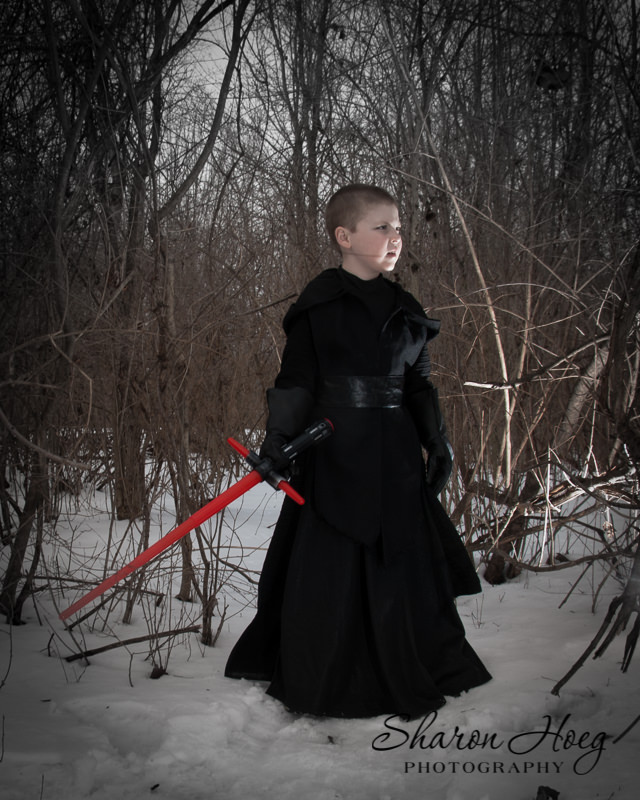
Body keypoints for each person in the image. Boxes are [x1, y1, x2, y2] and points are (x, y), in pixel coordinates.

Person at [225, 184, 491, 718]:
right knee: (331, 560)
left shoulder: (406, 309)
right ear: (344, 237)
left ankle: (407, 659)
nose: (396, 237)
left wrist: (434, 439)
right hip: (333, 448)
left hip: (394, 454)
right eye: (382, 227)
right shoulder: (319, 304)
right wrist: (279, 440)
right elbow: (296, 379)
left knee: (399, 556)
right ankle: (327, 674)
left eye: (398, 227)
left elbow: (418, 384)